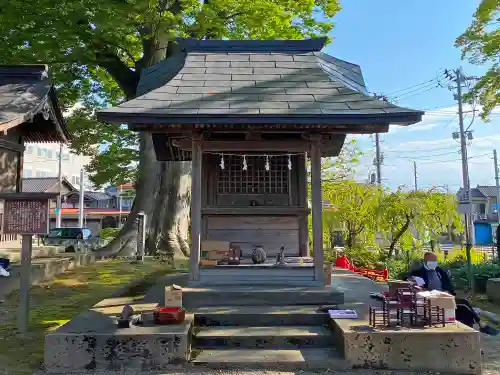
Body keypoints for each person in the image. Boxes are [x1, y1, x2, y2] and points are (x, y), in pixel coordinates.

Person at [407, 251, 499, 336]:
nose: (434, 263)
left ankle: (477, 327)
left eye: (435, 260)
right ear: (426, 260)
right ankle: (481, 324)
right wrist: (415, 284)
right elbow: (409, 281)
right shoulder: (418, 272)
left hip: (444, 296)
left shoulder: (439, 271)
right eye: (432, 261)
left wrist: (448, 291)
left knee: (464, 304)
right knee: (464, 304)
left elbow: (448, 284)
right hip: (430, 299)